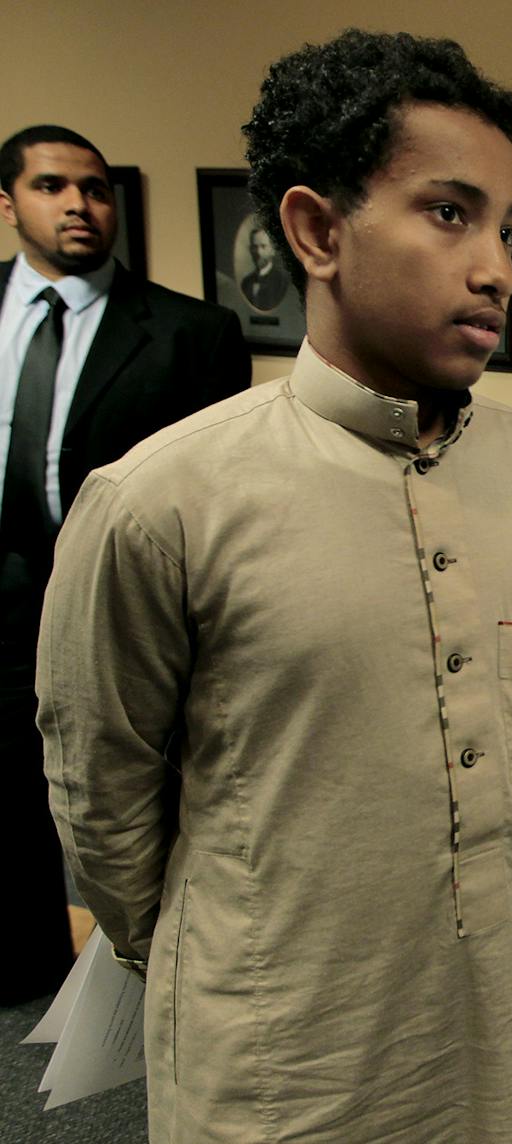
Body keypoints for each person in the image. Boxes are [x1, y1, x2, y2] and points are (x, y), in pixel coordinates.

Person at [38, 30, 512, 1143]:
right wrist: (232, 953)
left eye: (507, 228)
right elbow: (105, 806)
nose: (496, 268)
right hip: (286, 1066)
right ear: (317, 230)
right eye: (449, 213)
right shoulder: (159, 500)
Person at [0, 124, 249, 1005]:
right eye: (53, 186)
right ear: (8, 202)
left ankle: (153, 969)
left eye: (97, 189)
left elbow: (224, 500)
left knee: (125, 796)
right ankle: (23, 966)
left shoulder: (192, 334)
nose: (79, 204)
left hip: (116, 607)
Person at [238, 220, 290, 311]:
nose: (258, 252)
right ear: (250, 249)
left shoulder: (282, 281)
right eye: (254, 247)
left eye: (263, 246)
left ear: (272, 250)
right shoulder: (246, 282)